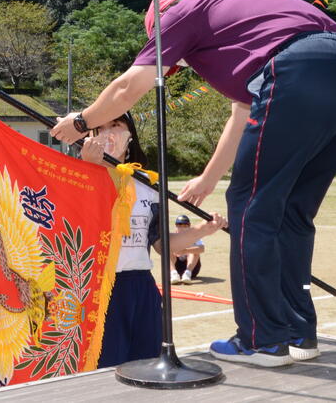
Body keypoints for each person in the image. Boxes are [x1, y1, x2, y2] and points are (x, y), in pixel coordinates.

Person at [52, 0, 336, 367]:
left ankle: (261, 340)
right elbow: (242, 115)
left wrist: (82, 121)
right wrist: (208, 178)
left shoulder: (180, 13)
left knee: (251, 209)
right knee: (292, 212)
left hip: (298, 73)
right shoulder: (243, 27)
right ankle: (298, 331)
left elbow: (130, 87)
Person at [79, 112, 227, 367]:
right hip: (98, 286)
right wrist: (91, 168)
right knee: (103, 369)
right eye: (100, 128)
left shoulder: (148, 183)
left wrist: (202, 230)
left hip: (141, 286)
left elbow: (161, 244)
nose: (108, 133)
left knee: (147, 363)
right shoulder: (79, 177)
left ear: (130, 134)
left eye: (115, 125)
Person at [170, 215, 204, 285]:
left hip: (193, 268)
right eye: (179, 225)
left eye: (185, 225)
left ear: (189, 226)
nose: (182, 228)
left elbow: (202, 249)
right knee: (167, 252)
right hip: (177, 267)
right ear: (176, 226)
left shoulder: (194, 235)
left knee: (194, 251)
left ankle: (187, 274)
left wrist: (185, 251)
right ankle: (174, 274)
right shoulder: (172, 236)